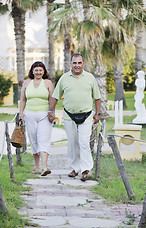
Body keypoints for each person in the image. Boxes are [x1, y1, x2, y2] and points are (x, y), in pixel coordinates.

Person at [48, 53, 101, 181]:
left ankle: (85, 170)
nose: (77, 65)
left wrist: (97, 113)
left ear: (83, 63)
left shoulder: (90, 78)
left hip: (87, 115)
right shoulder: (64, 78)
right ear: (70, 64)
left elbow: (97, 98)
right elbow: (55, 96)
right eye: (74, 63)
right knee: (72, 143)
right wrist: (51, 111)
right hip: (69, 115)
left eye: (79, 63)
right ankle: (74, 168)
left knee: (83, 143)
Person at [19, 61, 54, 176]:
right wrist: (21, 114)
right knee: (33, 140)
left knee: (43, 139)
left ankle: (45, 167)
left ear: (44, 71)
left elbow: (52, 100)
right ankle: (37, 166)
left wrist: (51, 113)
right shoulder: (27, 82)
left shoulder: (48, 83)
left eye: (40, 70)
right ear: (32, 71)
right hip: (29, 115)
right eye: (36, 70)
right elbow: (23, 100)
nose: (38, 72)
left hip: (44, 115)